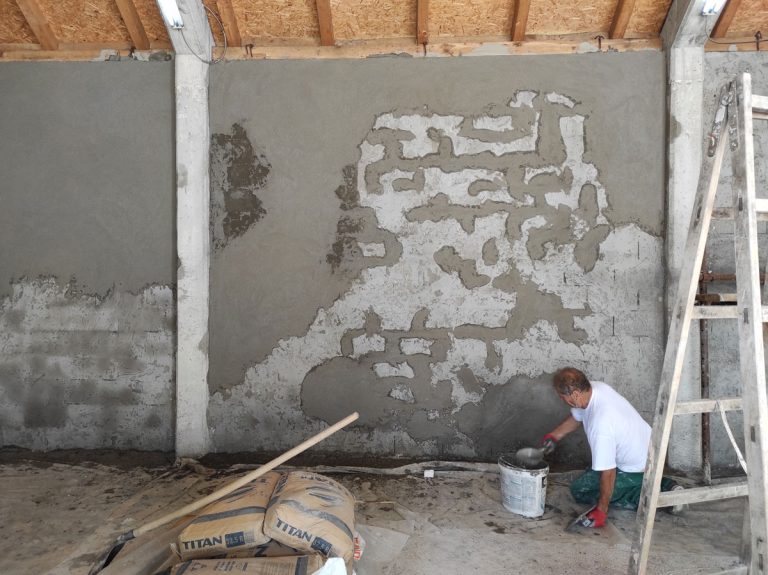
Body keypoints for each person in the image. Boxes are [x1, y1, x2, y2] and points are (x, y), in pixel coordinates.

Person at [542, 367, 678, 528]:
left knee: (581, 490)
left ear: (576, 394)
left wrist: (601, 510)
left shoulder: (600, 424)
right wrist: (554, 436)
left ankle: (661, 496)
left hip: (639, 465)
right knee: (593, 475)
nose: (561, 400)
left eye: (562, 396)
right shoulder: (595, 389)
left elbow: (608, 471)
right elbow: (577, 416)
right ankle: (663, 483)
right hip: (649, 450)